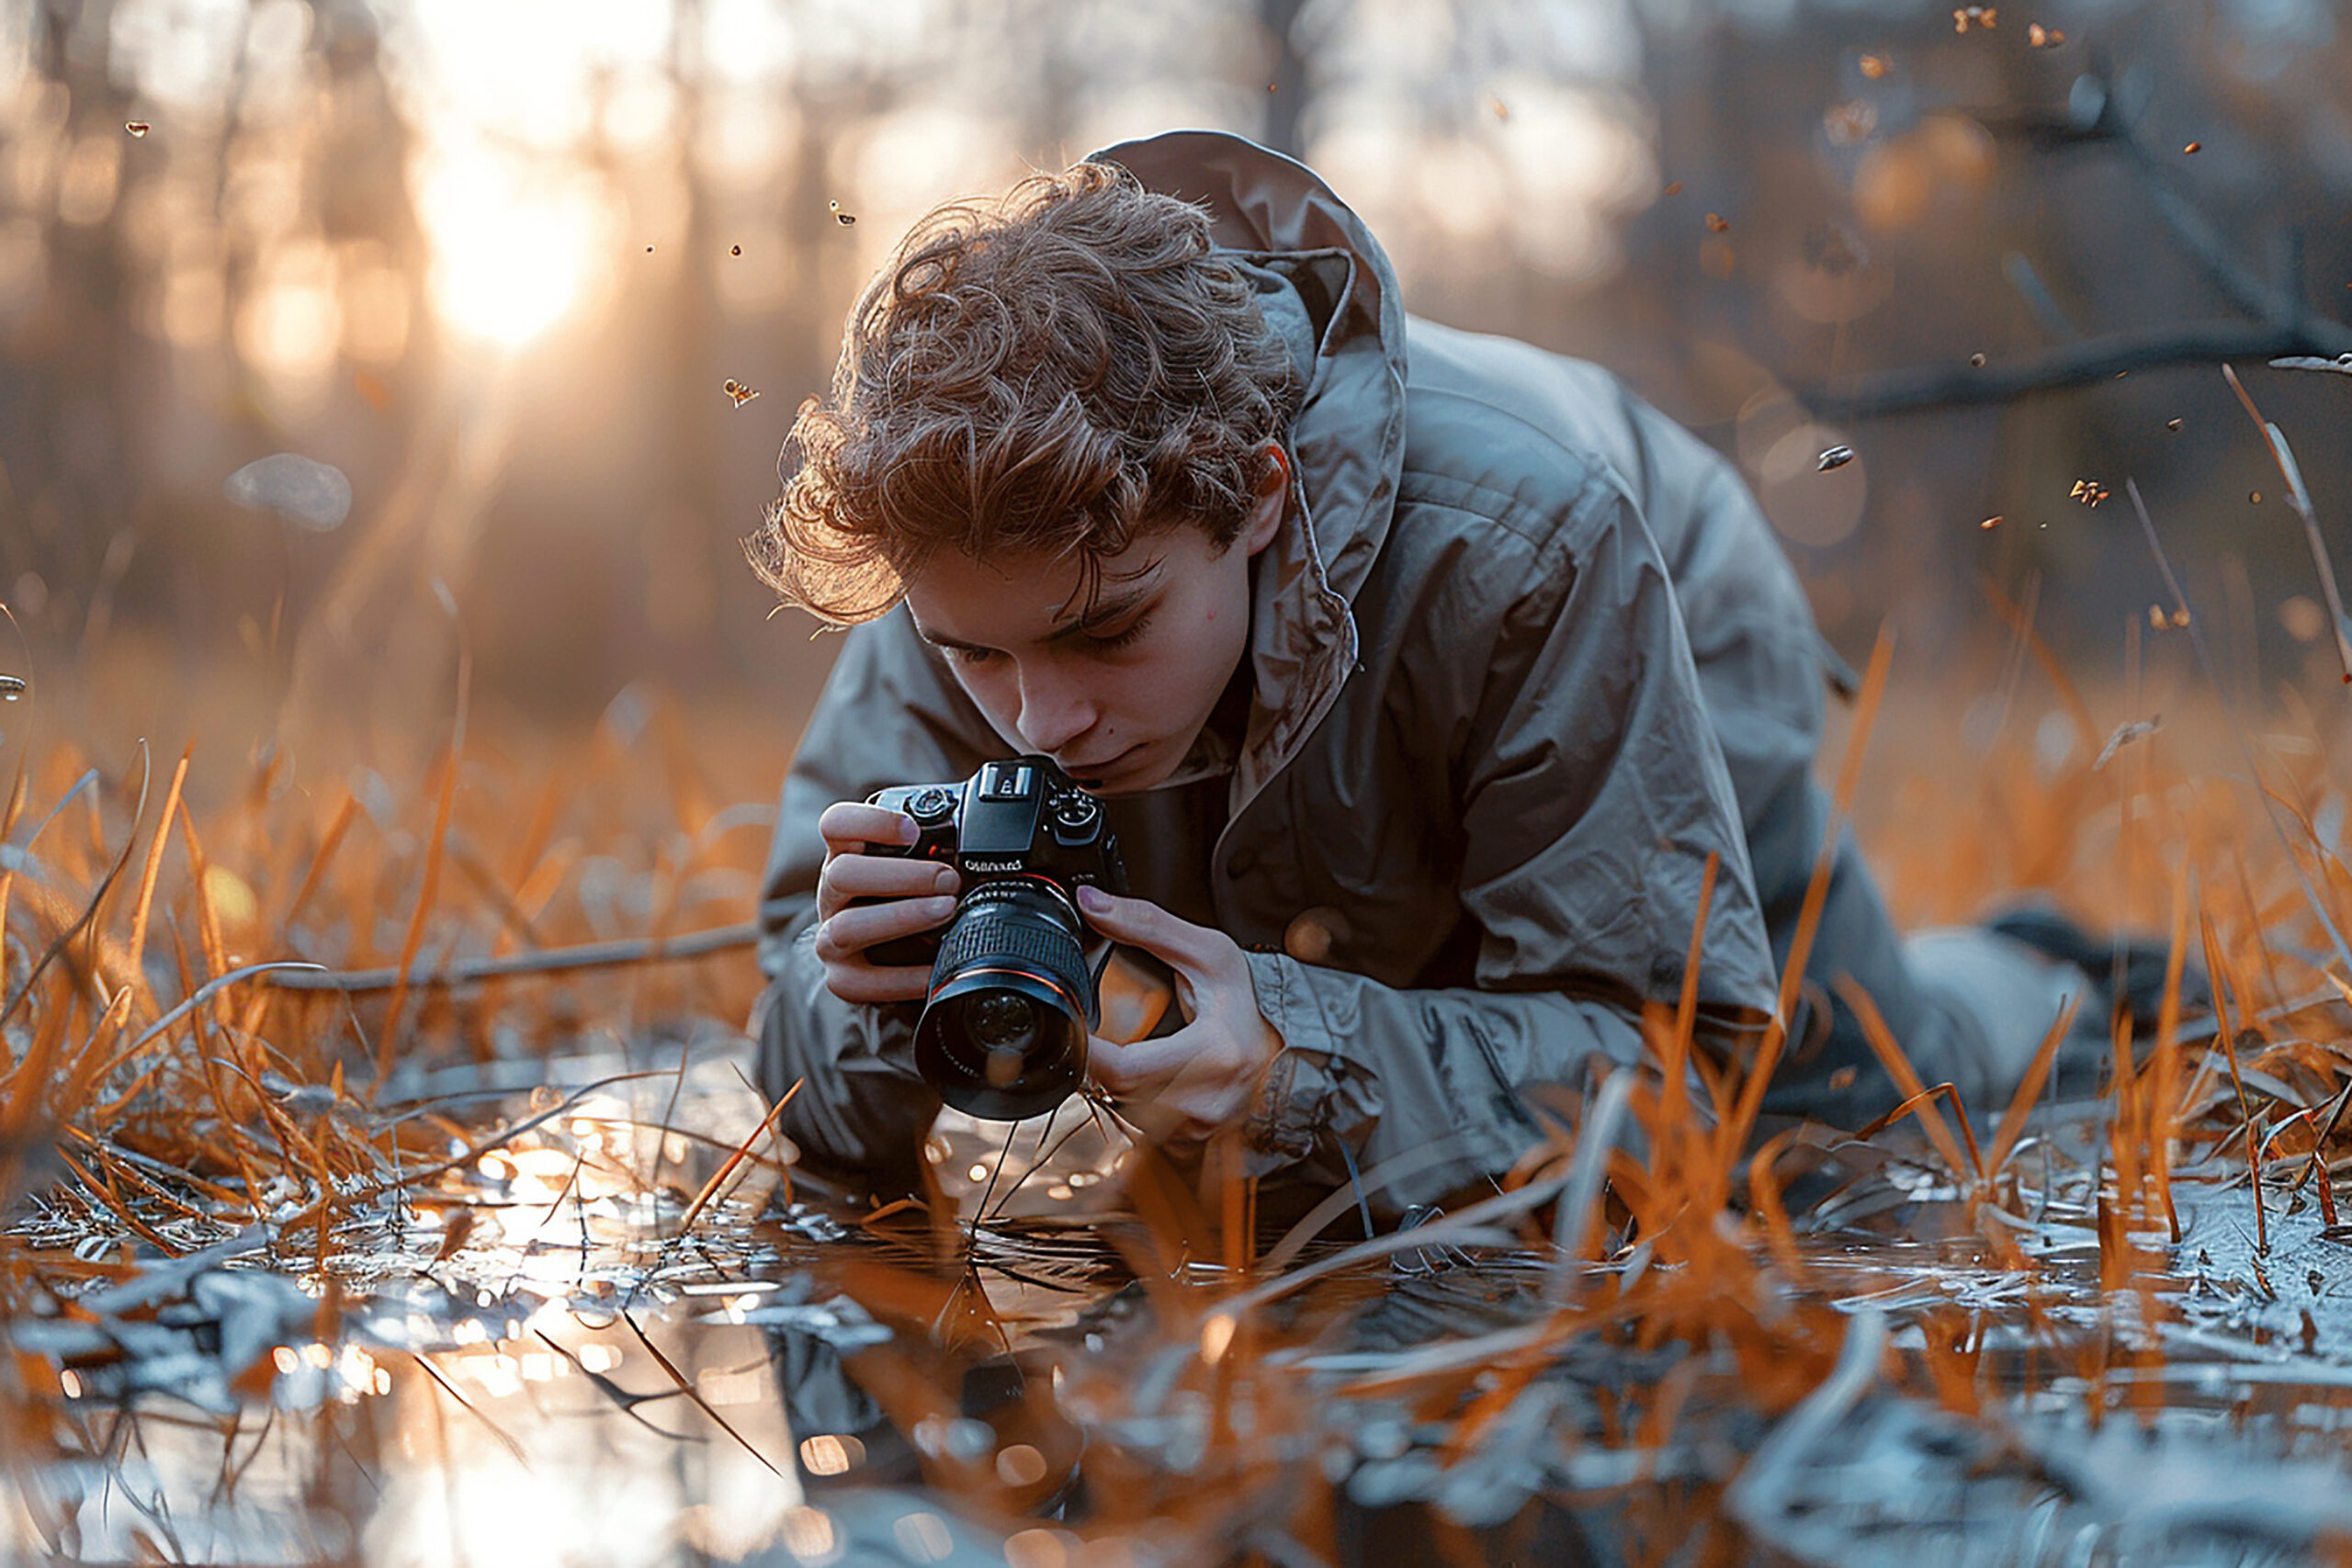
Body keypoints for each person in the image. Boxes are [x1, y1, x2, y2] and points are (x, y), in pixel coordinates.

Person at [743, 129, 2097, 1214]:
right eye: (974, 654)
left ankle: (2037, 969)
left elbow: (1677, 1072)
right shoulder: (976, 549)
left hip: (1642, 601)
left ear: (1259, 497)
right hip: (1361, 658)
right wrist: (869, 1000)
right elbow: (809, 1092)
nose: (1039, 722)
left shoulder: (1534, 547)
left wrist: (1304, 1069)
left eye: (1107, 635)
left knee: (1848, 1114)